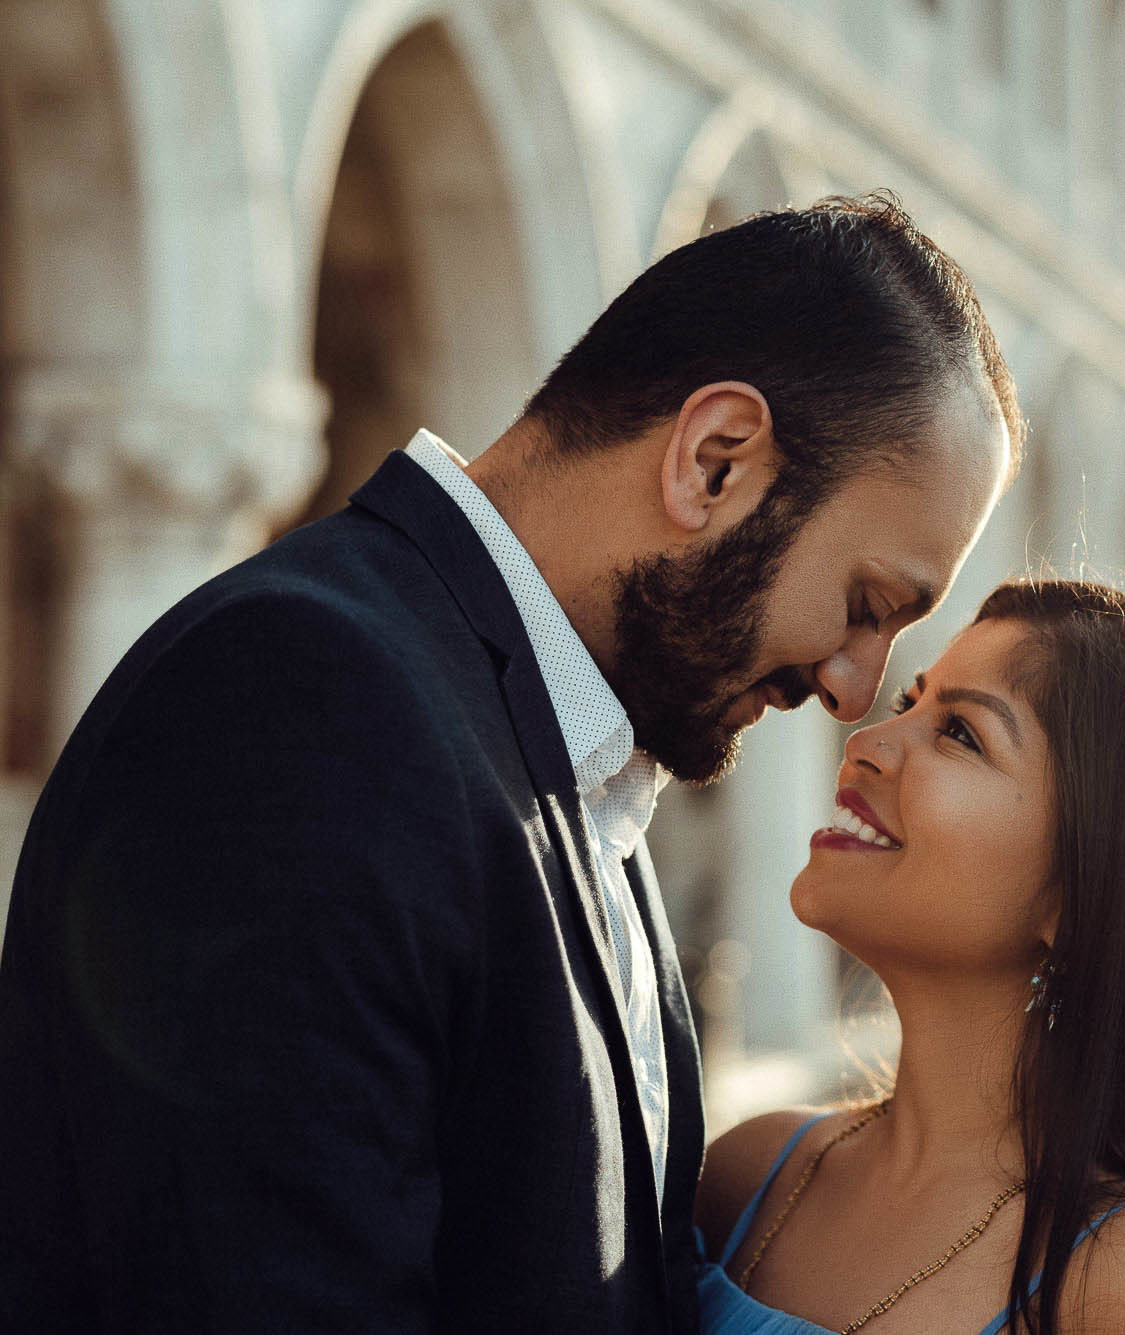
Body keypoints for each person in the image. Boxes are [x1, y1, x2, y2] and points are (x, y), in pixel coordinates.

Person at [0, 193, 1019, 1332]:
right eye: (868, 604)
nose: (852, 688)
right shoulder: (305, 697)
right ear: (716, 460)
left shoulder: (566, 761)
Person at [695, 580, 1125, 1334]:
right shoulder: (750, 1177)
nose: (867, 743)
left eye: (960, 733)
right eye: (911, 702)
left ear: (1085, 892)